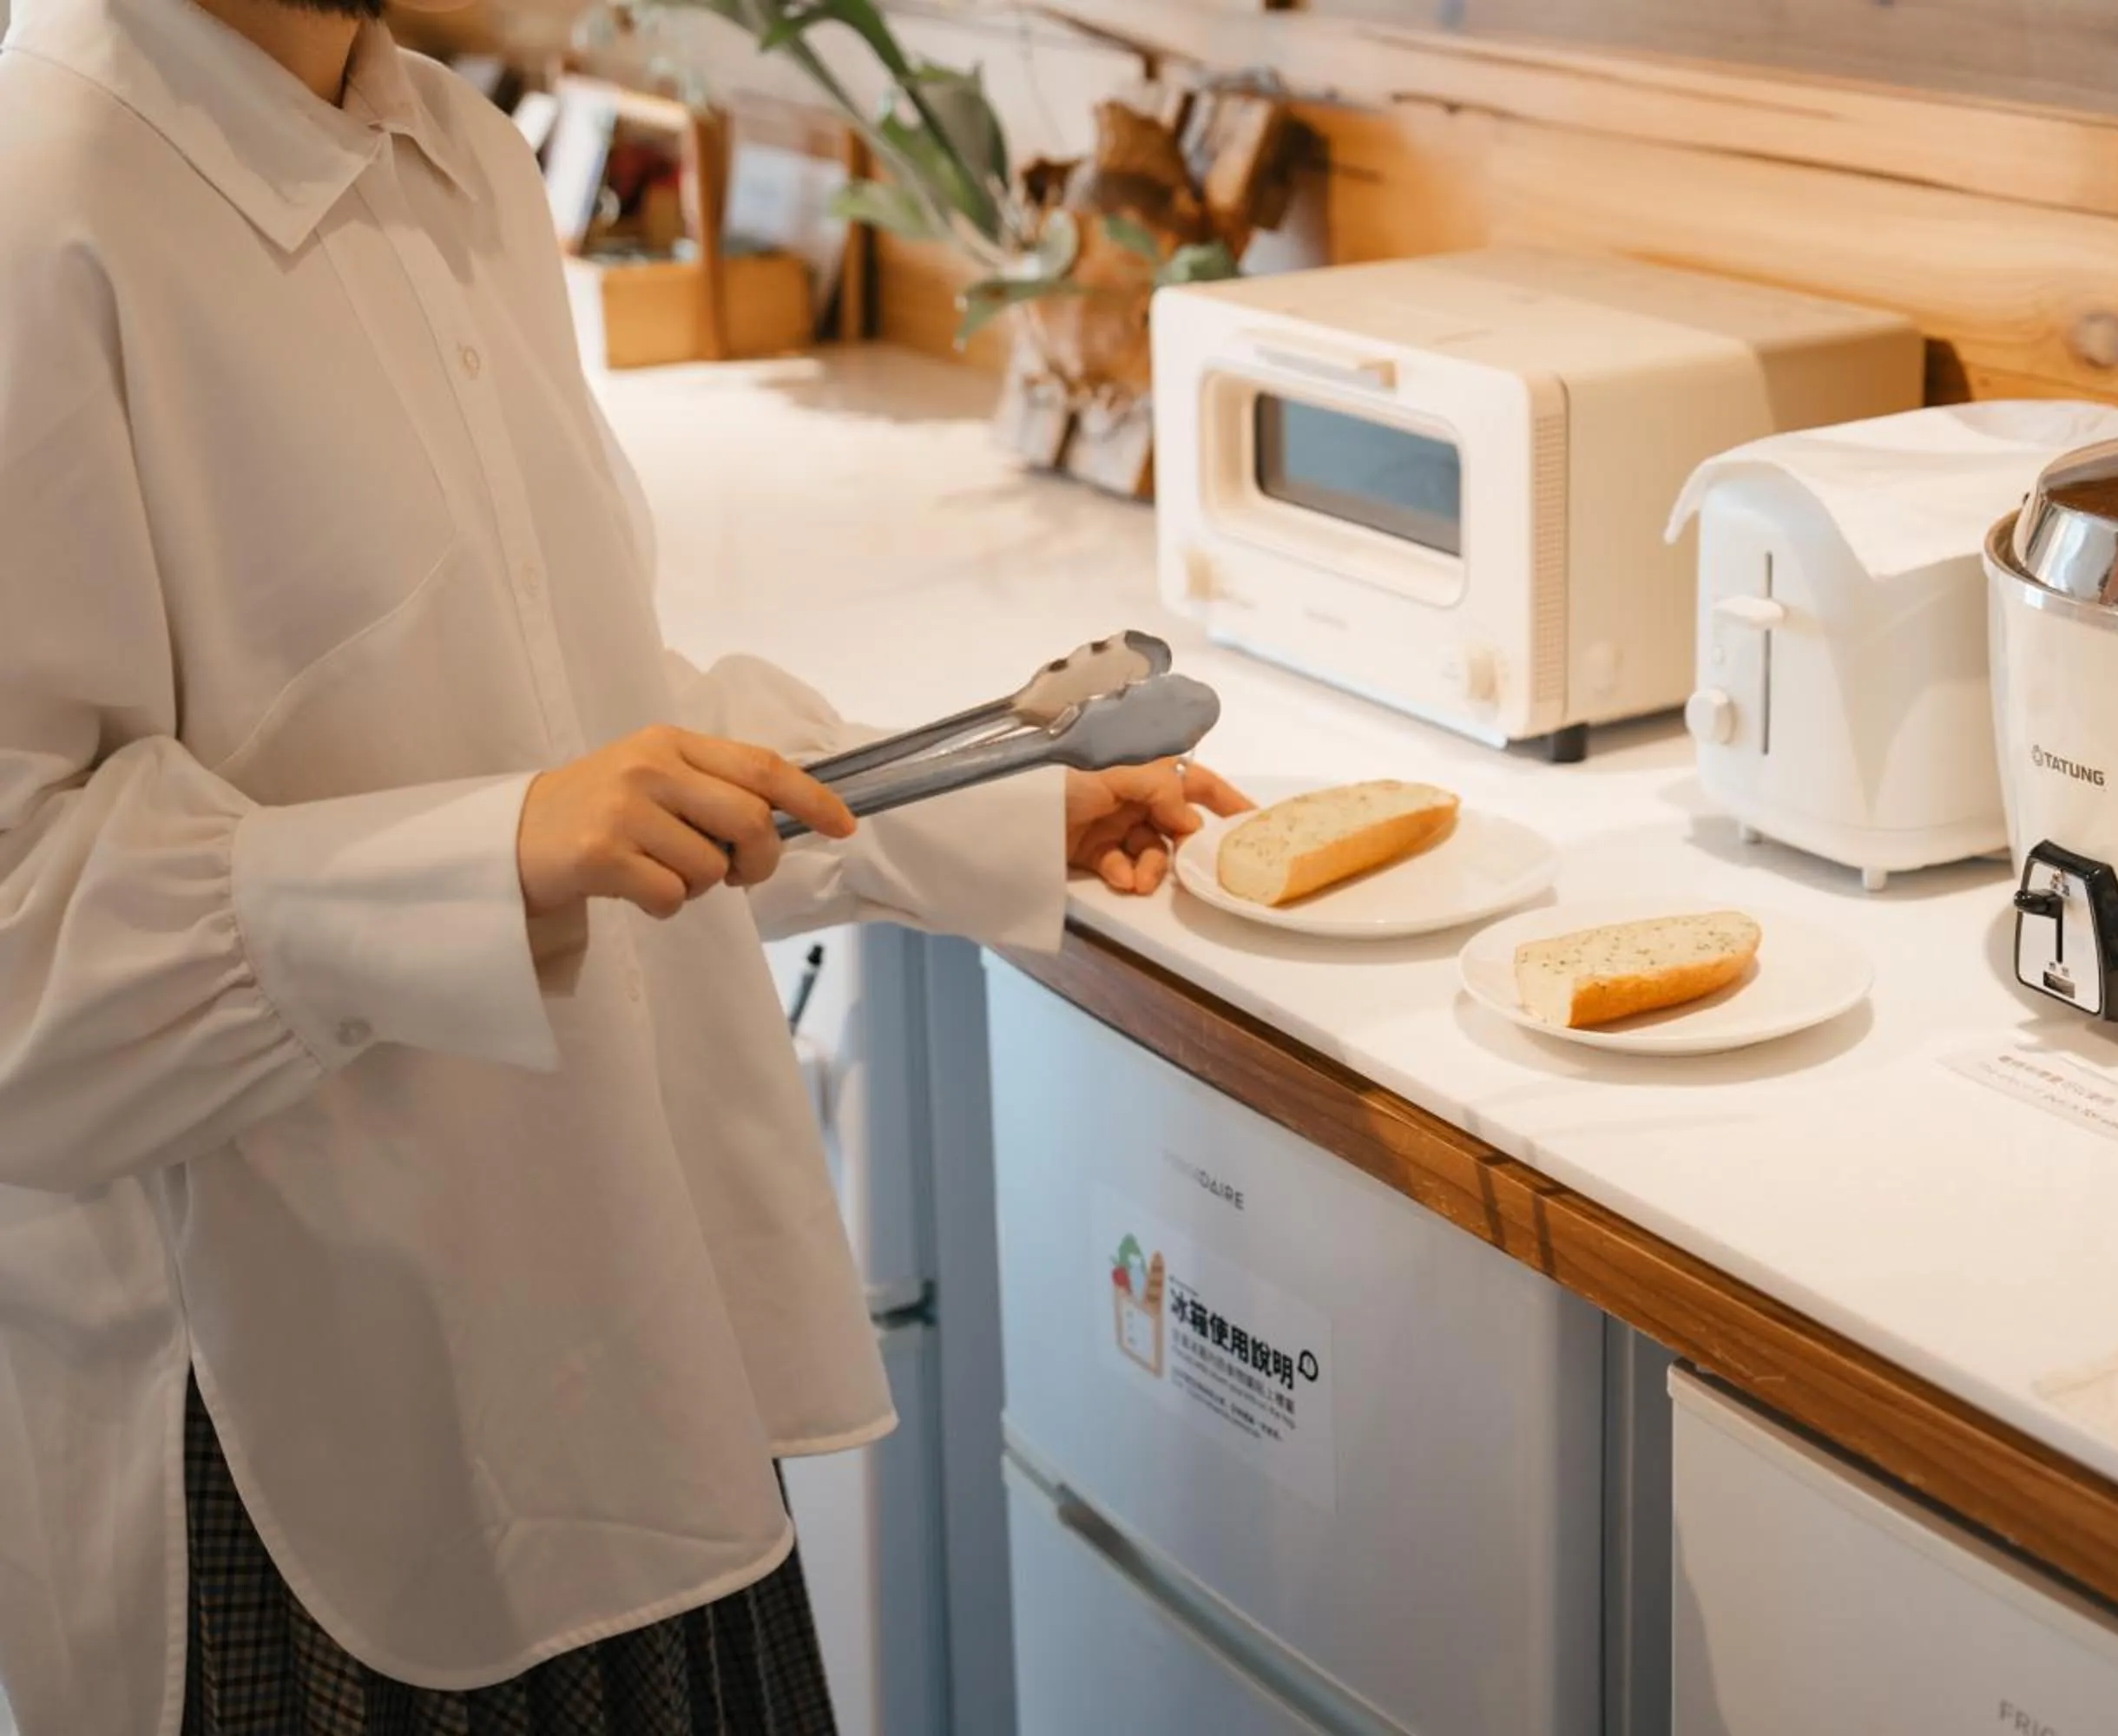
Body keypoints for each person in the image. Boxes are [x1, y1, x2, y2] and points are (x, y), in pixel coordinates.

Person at [0, 0, 1250, 1728]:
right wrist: (491, 858)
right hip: (298, 1455)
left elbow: (577, 709)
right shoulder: (39, 190)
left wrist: (978, 802)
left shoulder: (463, 159)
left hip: (599, 1351)